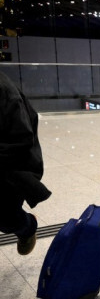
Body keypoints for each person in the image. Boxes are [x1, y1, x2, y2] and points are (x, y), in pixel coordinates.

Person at [0, 71, 51, 256]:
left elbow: (21, 140)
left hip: (13, 166)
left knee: (7, 219)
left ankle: (28, 227)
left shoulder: (5, 91)